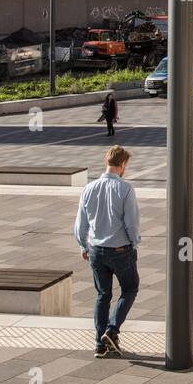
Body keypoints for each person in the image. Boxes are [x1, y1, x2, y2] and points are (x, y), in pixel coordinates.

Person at [73, 146, 141, 357]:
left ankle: (99, 344)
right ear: (122, 165)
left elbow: (80, 224)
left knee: (103, 294)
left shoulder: (89, 188)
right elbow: (131, 223)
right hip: (120, 249)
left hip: (95, 249)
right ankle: (112, 330)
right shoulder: (125, 189)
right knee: (130, 288)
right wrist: (134, 243)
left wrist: (83, 246)